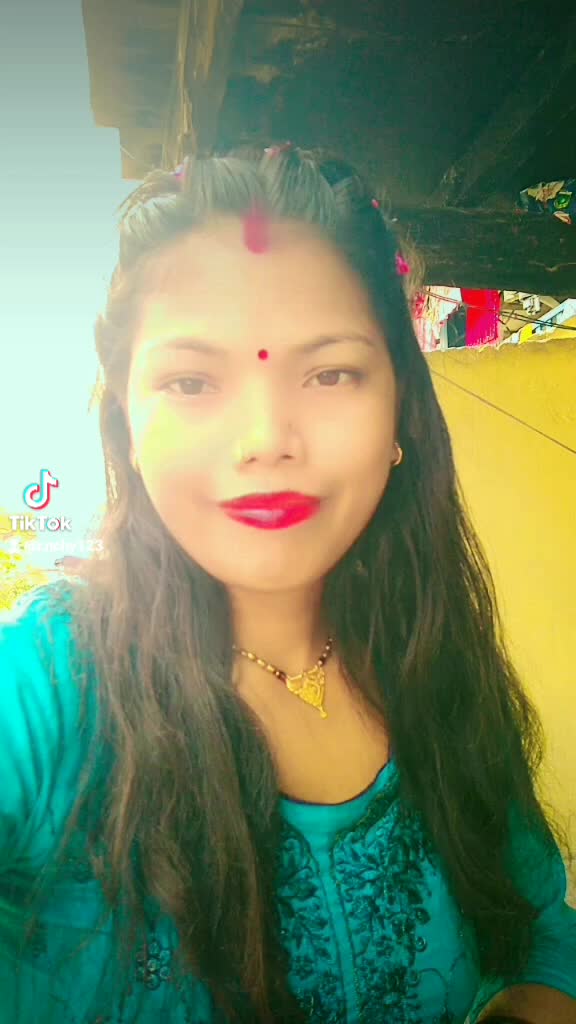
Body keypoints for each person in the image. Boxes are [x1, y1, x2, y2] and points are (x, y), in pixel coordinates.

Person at [0, 145, 574, 1024]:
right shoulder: (46, 690)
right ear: (126, 426)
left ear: (399, 407)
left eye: (330, 372)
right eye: (192, 381)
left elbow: (539, 931)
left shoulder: (433, 655)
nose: (266, 437)